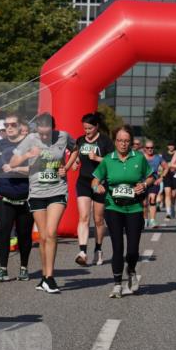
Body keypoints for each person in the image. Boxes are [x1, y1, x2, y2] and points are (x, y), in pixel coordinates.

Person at [9, 112, 74, 294]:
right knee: (44, 236)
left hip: (58, 190)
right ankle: (44, 277)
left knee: (52, 232)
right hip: (37, 192)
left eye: (47, 133)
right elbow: (13, 162)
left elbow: (76, 148)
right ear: (37, 129)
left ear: (52, 128)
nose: (44, 137)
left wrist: (66, 167)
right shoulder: (30, 139)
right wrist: (29, 154)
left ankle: (50, 277)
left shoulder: (63, 136)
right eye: (41, 133)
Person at [91, 126, 153, 297]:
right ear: (115, 141)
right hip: (113, 207)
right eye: (120, 140)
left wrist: (144, 184)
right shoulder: (108, 160)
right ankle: (117, 284)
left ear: (131, 142)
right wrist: (98, 186)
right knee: (117, 247)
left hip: (134, 208)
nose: (123, 144)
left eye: (126, 141)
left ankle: (131, 270)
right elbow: (95, 180)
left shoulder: (139, 158)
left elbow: (150, 176)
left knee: (132, 249)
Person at [0, 114, 32, 282]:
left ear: (21, 126)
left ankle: (24, 268)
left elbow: (35, 168)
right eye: (6, 125)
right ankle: (3, 269)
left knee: (24, 233)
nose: (9, 128)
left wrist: (16, 168)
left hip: (25, 195)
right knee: (3, 230)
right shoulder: (0, 144)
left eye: (13, 124)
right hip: (3, 193)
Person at [66, 112, 111, 267]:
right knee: (84, 217)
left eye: (90, 128)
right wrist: (75, 162)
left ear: (97, 126)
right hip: (84, 182)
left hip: (100, 183)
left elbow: (113, 161)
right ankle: (83, 251)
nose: (87, 131)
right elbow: (77, 156)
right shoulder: (80, 140)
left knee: (98, 219)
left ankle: (98, 249)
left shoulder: (105, 141)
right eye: (85, 128)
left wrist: (98, 158)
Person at [141, 139, 163, 228]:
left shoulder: (158, 157)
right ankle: (145, 220)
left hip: (154, 182)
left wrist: (161, 178)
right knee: (144, 203)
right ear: (144, 148)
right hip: (142, 182)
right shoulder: (140, 157)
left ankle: (152, 220)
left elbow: (166, 167)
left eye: (152, 147)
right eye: (148, 148)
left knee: (152, 199)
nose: (150, 149)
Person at [160, 142, 176, 219]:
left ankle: (172, 207)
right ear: (167, 146)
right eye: (169, 145)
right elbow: (163, 164)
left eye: (172, 145)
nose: (171, 147)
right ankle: (168, 212)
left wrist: (173, 166)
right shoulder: (164, 154)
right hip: (167, 175)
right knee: (167, 193)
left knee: (174, 195)